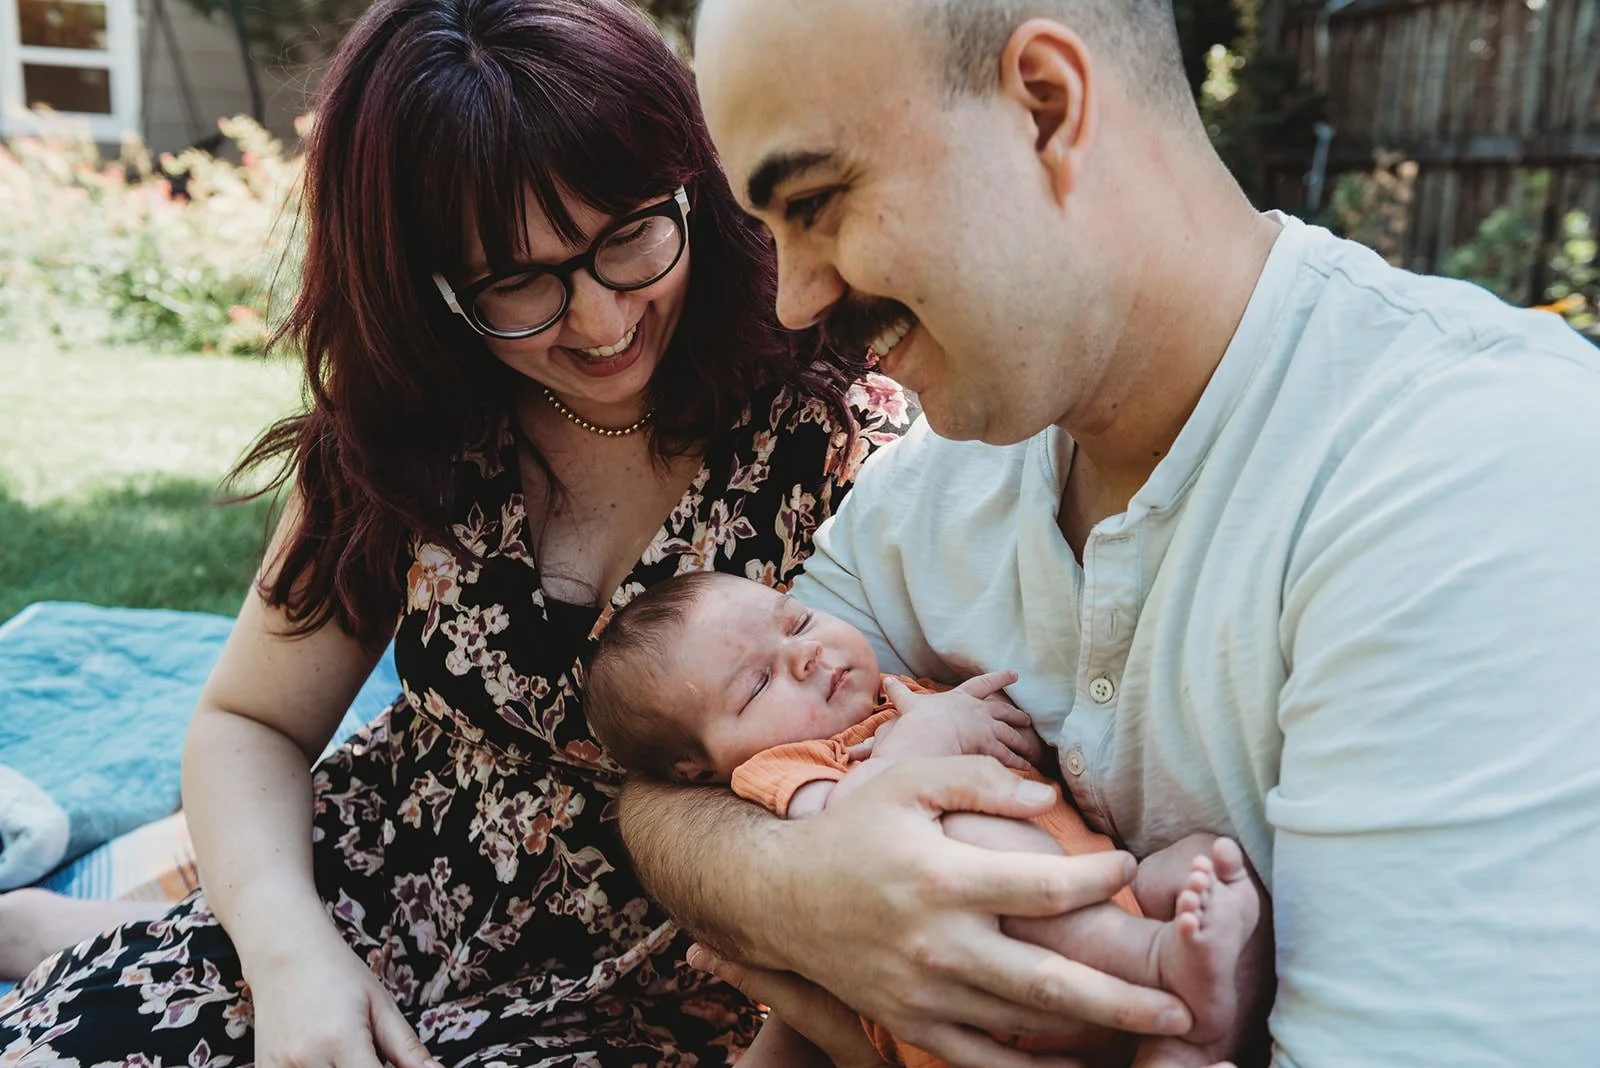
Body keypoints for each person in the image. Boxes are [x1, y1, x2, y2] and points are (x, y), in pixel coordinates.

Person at [616, 0, 1600, 1065]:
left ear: (1044, 107)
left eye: (815, 201)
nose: (795, 302)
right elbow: (670, 795)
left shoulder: (1469, 471)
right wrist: (808, 894)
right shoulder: (937, 478)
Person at [0, 0, 906, 1062]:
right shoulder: (410, 428)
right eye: (517, 282)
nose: (603, 322)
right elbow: (252, 720)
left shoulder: (844, 437)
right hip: (357, 909)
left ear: (691, 188)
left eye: (629, 238)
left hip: (652, 1005)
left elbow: (878, 809)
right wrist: (291, 959)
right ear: (424, 286)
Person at [586, 570, 1265, 1068]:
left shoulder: (905, 693)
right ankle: (1153, 962)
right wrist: (933, 734)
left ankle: (1190, 1043)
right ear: (698, 768)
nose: (806, 655)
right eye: (758, 684)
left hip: (1109, 893)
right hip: (975, 978)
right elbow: (856, 833)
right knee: (966, 847)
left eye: (796, 622)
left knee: (1212, 865)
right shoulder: (782, 771)